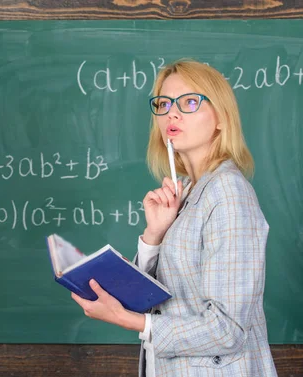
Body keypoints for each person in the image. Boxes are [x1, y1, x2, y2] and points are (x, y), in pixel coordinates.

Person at [71, 59, 277, 377]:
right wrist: (154, 234)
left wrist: (131, 322)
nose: (172, 113)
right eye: (164, 103)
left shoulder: (228, 193)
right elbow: (151, 298)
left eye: (190, 102)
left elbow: (228, 329)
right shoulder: (191, 191)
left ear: (221, 117)